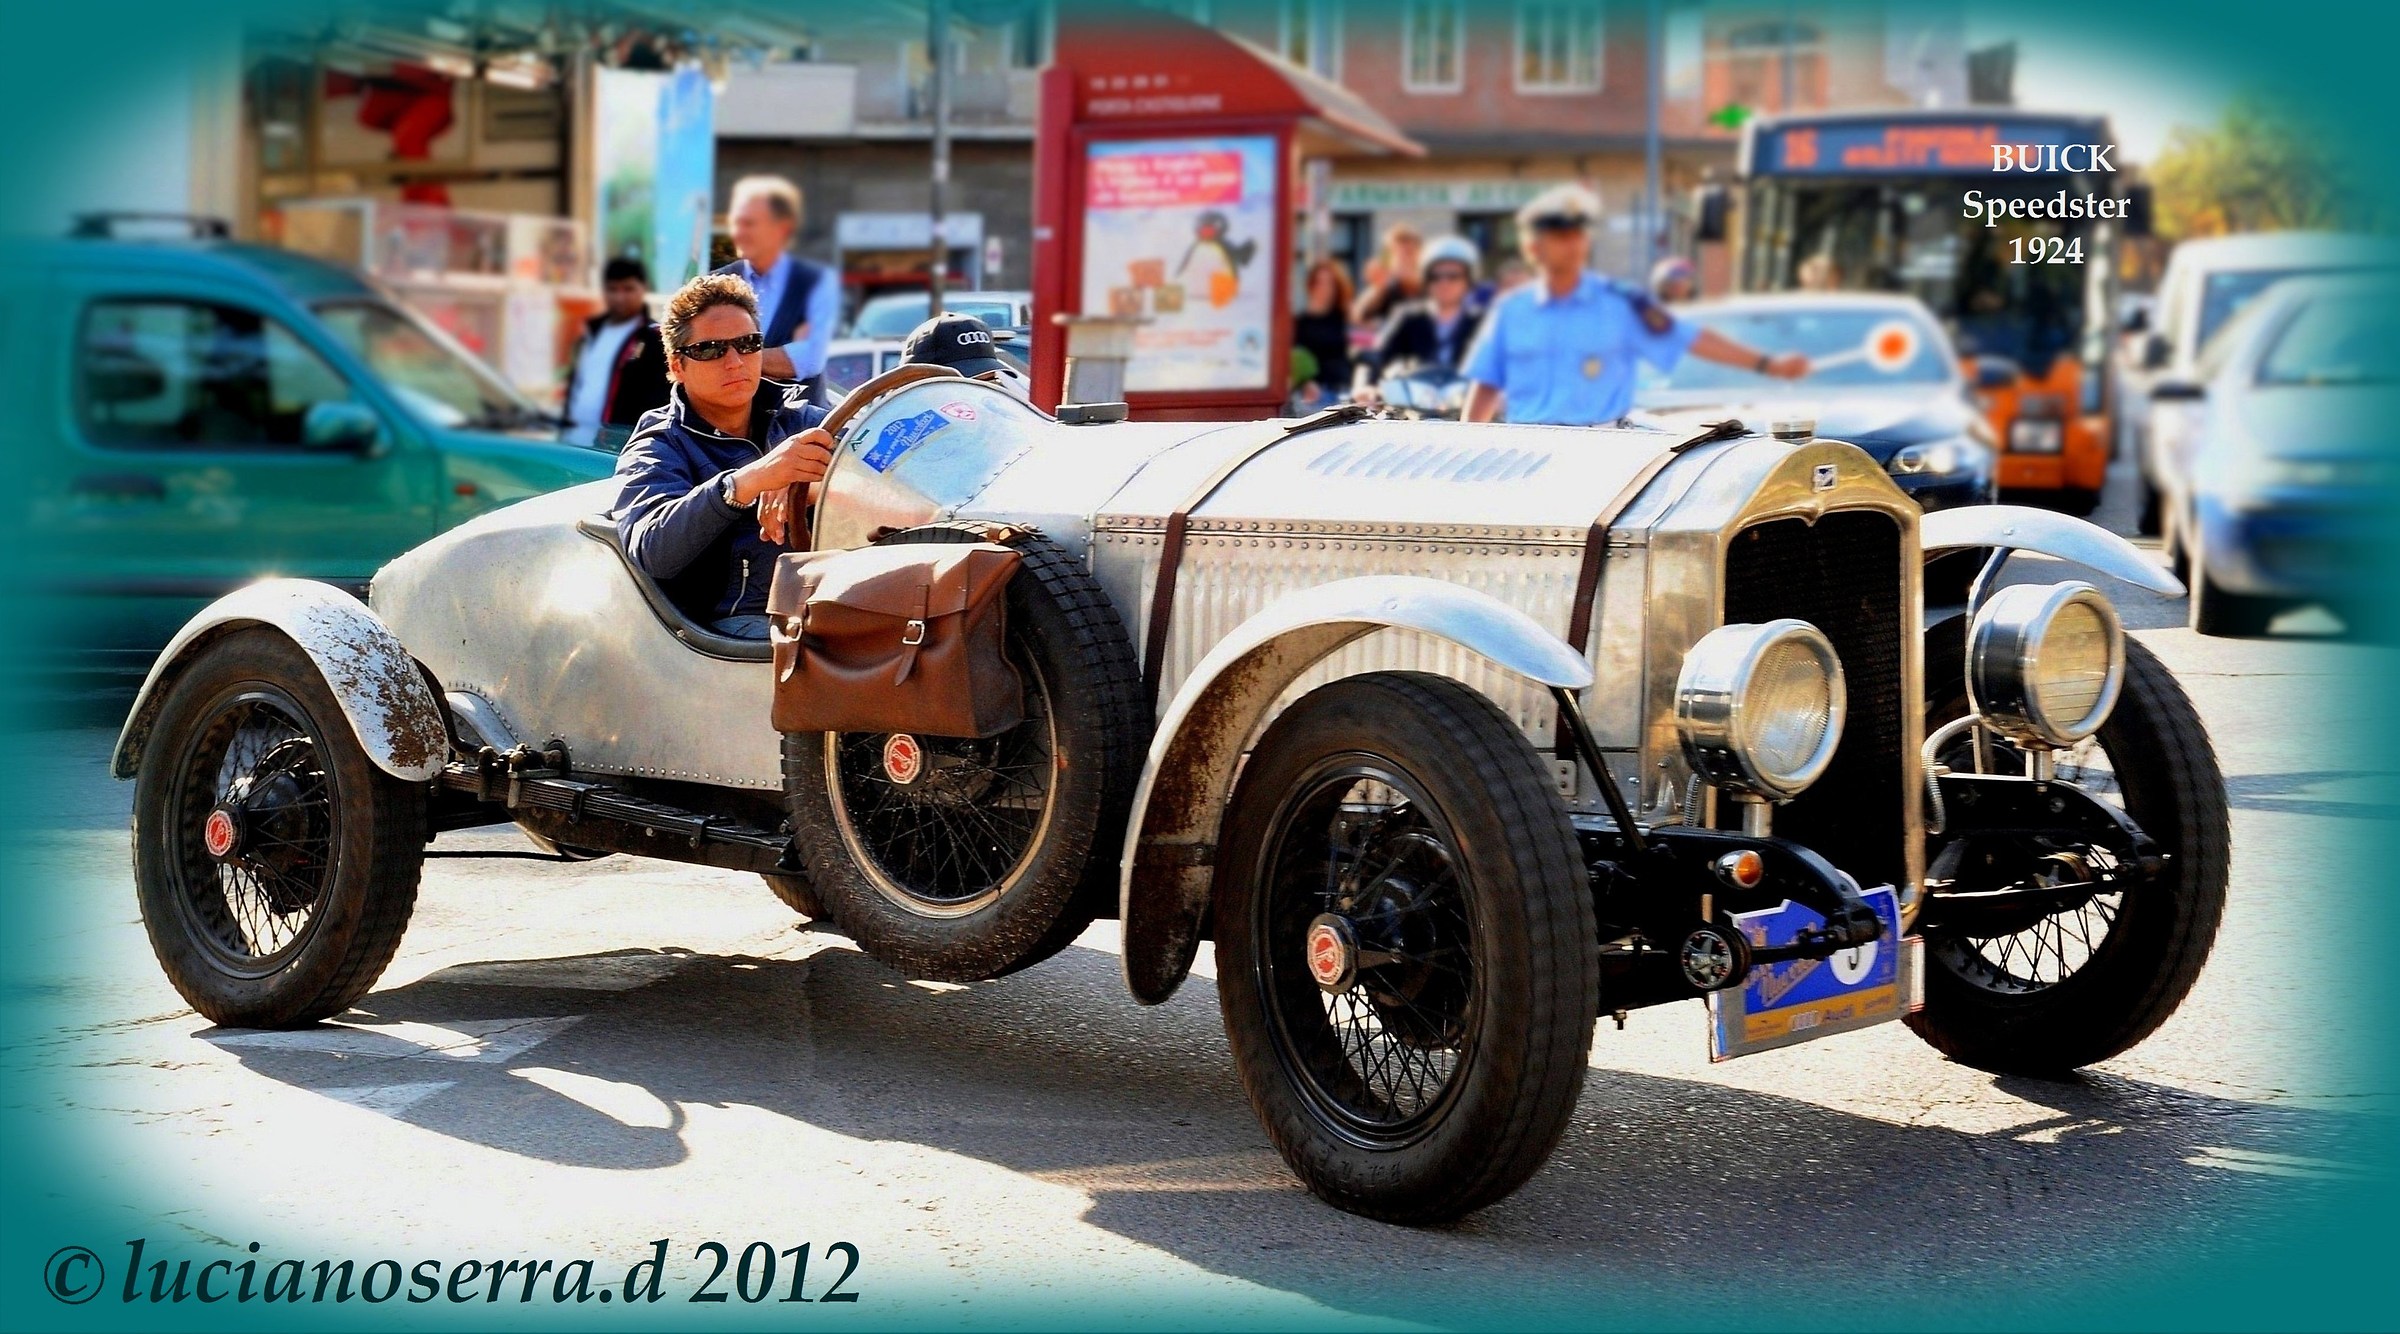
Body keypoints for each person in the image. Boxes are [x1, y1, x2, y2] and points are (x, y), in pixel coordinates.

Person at [1461, 185, 1808, 426]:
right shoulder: (1512, 310)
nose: (1574, 244)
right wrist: (1466, 448)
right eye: (1561, 237)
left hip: (1599, 451)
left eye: (1577, 235)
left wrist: (1766, 363)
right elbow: (1486, 383)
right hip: (1527, 449)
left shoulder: (1621, 303)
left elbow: (1691, 338)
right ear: (1533, 248)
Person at [611, 273, 835, 640]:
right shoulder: (661, 442)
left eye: (748, 344)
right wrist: (748, 482)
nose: (735, 361)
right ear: (677, 365)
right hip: (732, 632)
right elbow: (652, 547)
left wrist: (807, 484)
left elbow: (889, 473)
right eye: (711, 349)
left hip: (831, 599)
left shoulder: (801, 419)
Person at [714, 175, 841, 402]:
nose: (739, 233)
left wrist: (727, 359)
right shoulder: (716, 282)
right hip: (732, 430)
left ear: (782, 229)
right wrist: (779, 356)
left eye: (749, 224)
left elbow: (810, 358)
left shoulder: (816, 281)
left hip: (800, 425)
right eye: (736, 223)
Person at [1356, 235, 1486, 399]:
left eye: (1453, 276)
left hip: (1470, 414)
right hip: (1415, 412)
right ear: (1426, 280)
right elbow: (1376, 356)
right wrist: (1366, 386)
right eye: (1435, 277)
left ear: (1468, 280)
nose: (1444, 283)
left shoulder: (1484, 322)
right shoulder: (1409, 317)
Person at [562, 256, 670, 437]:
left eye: (628, 289)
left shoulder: (655, 340)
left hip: (618, 445)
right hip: (573, 441)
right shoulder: (589, 334)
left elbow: (660, 403)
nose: (620, 297)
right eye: (613, 289)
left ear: (643, 289)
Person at [901, 312, 1034, 402]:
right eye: (965, 385)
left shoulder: (997, 426)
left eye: (991, 381)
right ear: (918, 381)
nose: (981, 393)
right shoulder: (898, 432)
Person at [1291, 259, 1356, 406]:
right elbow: (1294, 361)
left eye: (1329, 283)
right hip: (1313, 396)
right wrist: (1306, 383)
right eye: (1319, 282)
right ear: (1311, 285)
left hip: (1346, 392)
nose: (1324, 288)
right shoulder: (1299, 324)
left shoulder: (1345, 318)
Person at [1350, 223, 1426, 327]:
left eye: (1408, 252)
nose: (1403, 257)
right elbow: (1359, 316)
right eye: (1397, 252)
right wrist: (1377, 288)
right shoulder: (1386, 285)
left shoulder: (1430, 281)